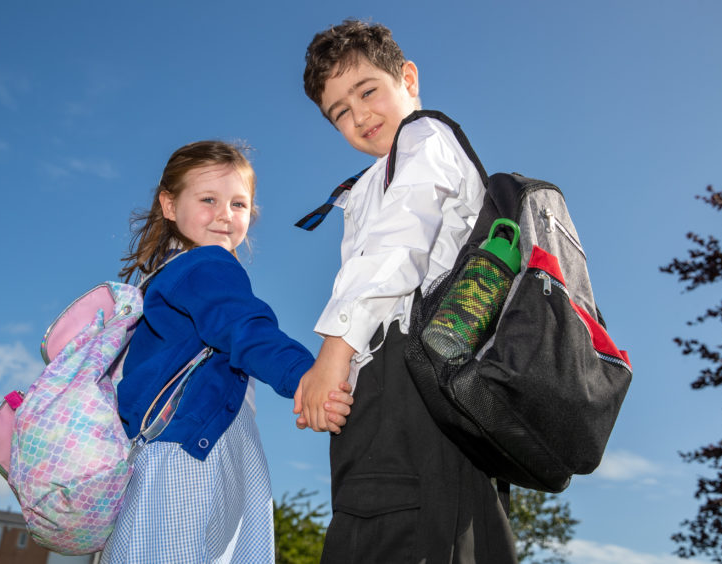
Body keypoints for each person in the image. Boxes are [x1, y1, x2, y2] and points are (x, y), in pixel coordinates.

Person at [293, 20, 518, 563]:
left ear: (407, 78)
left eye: (367, 91)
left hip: (425, 380)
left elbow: (398, 249)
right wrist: (342, 376)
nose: (360, 116)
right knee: (370, 527)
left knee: (411, 530)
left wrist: (333, 354)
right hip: (387, 391)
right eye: (339, 113)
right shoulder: (369, 182)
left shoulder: (426, 137)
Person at [101, 140, 352, 564]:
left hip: (178, 449)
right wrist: (309, 379)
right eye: (208, 199)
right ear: (169, 204)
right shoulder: (203, 266)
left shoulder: (164, 277)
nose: (224, 214)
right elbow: (245, 329)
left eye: (238, 204)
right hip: (189, 453)